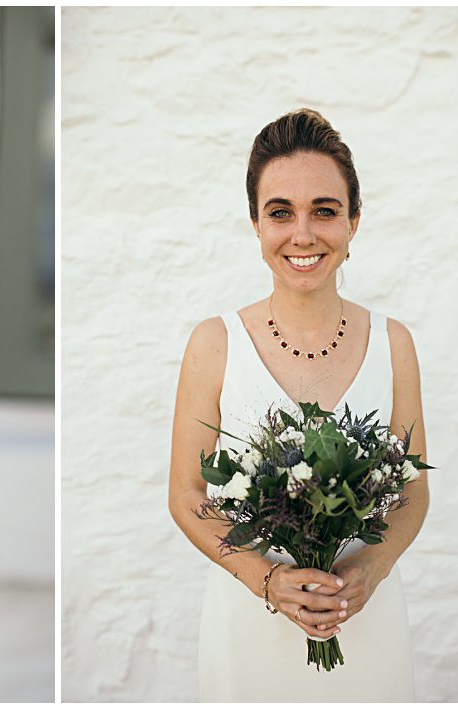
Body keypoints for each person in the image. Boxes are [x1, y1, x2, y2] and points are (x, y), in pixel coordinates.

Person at [167, 108, 426, 700]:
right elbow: (186, 494)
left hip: (364, 622)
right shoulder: (215, 342)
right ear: (256, 225)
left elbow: (413, 489)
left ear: (354, 222)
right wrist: (270, 581)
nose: (302, 234)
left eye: (325, 211)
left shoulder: (394, 343)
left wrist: (369, 571)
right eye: (280, 212)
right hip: (248, 629)